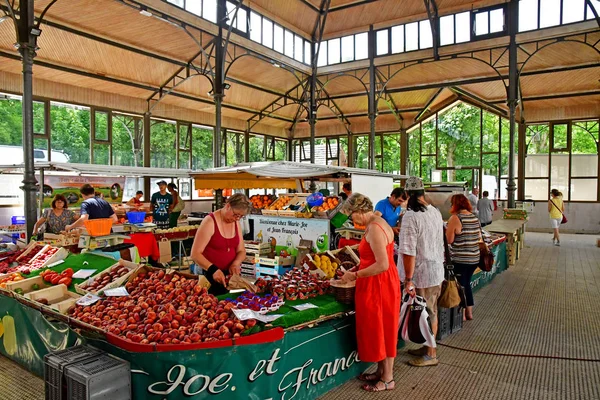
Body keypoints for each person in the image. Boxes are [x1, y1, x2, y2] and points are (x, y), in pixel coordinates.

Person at [340, 193, 400, 392]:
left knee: (383, 328)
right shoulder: (378, 222)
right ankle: (381, 371)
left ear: (358, 211)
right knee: (379, 327)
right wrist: (355, 270)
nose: (352, 220)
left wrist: (355, 276)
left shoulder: (374, 229)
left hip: (379, 284)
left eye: (351, 215)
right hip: (379, 281)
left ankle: (388, 379)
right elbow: (373, 260)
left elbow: (382, 265)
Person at [398, 176, 444, 367]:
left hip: (421, 275)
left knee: (426, 314)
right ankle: (427, 347)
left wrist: (408, 279)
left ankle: (431, 354)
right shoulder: (435, 212)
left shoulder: (411, 216)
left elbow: (408, 251)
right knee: (430, 311)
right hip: (435, 271)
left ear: (407, 194)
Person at [190, 194, 251, 294]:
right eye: (235, 215)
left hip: (226, 275)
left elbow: (241, 250)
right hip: (207, 273)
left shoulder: (236, 223)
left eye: (241, 216)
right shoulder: (209, 222)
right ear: (228, 206)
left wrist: (235, 263)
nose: (237, 218)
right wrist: (213, 269)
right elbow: (195, 254)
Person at [446, 194, 482, 321]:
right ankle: (469, 312)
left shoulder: (455, 218)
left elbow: (449, 240)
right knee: (466, 284)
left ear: (455, 204)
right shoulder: (474, 217)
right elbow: (478, 236)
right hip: (474, 258)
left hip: (461, 259)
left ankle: (461, 315)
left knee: (460, 285)